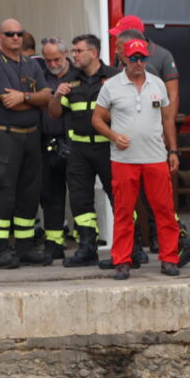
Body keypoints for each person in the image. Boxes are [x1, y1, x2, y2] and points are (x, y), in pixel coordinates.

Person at [91, 37, 181, 280]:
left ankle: (169, 258)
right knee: (123, 211)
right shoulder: (111, 86)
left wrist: (173, 150)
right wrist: (113, 136)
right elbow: (96, 119)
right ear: (124, 59)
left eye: (142, 58)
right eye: (134, 58)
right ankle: (122, 260)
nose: (139, 63)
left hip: (155, 157)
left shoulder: (158, 84)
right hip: (124, 158)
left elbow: (167, 119)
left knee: (164, 209)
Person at [0, 18, 53, 268]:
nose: (15, 37)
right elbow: (7, 103)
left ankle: (25, 247)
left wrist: (24, 96)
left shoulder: (31, 65)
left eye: (19, 33)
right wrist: (35, 100)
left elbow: (47, 97)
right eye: (10, 34)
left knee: (29, 191)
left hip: (31, 135)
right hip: (6, 135)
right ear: (0, 38)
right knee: (4, 191)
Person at [48, 34, 119, 267]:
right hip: (79, 148)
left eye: (78, 51)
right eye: (74, 50)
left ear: (94, 53)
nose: (74, 55)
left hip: (108, 147)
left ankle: (131, 247)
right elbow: (55, 113)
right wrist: (57, 95)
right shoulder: (70, 80)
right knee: (80, 200)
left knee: (119, 197)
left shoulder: (114, 78)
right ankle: (88, 247)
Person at [39, 36, 72, 259]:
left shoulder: (78, 76)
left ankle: (85, 241)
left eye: (56, 59)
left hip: (74, 143)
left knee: (80, 196)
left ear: (66, 53)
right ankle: (54, 242)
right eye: (47, 60)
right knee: (50, 195)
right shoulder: (40, 77)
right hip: (47, 143)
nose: (52, 64)